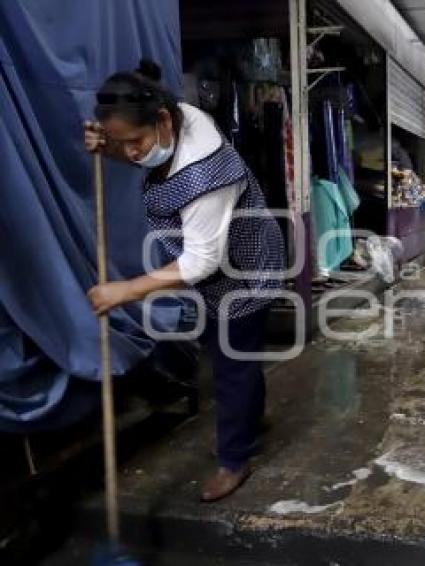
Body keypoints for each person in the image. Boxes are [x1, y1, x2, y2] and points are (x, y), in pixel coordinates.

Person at [84, 59, 284, 501]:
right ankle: (251, 416)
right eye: (125, 144)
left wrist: (126, 289)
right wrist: (112, 146)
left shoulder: (204, 174)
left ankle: (235, 458)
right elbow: (146, 150)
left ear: (161, 120)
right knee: (234, 357)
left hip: (245, 273)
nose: (133, 153)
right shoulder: (177, 116)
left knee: (233, 363)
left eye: (135, 142)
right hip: (224, 263)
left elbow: (199, 264)